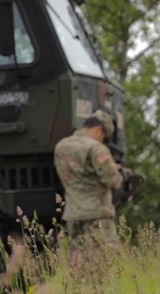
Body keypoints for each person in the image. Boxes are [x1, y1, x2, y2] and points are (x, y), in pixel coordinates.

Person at [53, 110, 123, 267]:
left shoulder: (61, 146)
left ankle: (81, 291)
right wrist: (117, 172)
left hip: (73, 213)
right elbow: (112, 180)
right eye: (103, 137)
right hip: (97, 214)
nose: (102, 141)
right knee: (102, 263)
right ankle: (101, 292)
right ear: (99, 130)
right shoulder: (96, 148)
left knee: (77, 263)